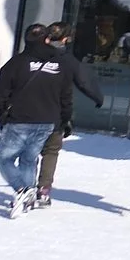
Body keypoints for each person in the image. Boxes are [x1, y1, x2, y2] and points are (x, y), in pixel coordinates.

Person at [0, 25, 98, 218]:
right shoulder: (60, 64)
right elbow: (66, 96)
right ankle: (27, 199)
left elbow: (0, 92)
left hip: (20, 119)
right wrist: (65, 117)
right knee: (29, 160)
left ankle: (22, 190)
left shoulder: (17, 63)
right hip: (47, 121)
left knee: (3, 158)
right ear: (47, 40)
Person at [33, 25, 103, 209]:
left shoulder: (31, 55)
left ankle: (25, 188)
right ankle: (43, 190)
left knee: (30, 151)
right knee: (50, 152)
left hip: (29, 111)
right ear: (65, 40)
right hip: (55, 113)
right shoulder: (67, 60)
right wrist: (97, 97)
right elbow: (84, 80)